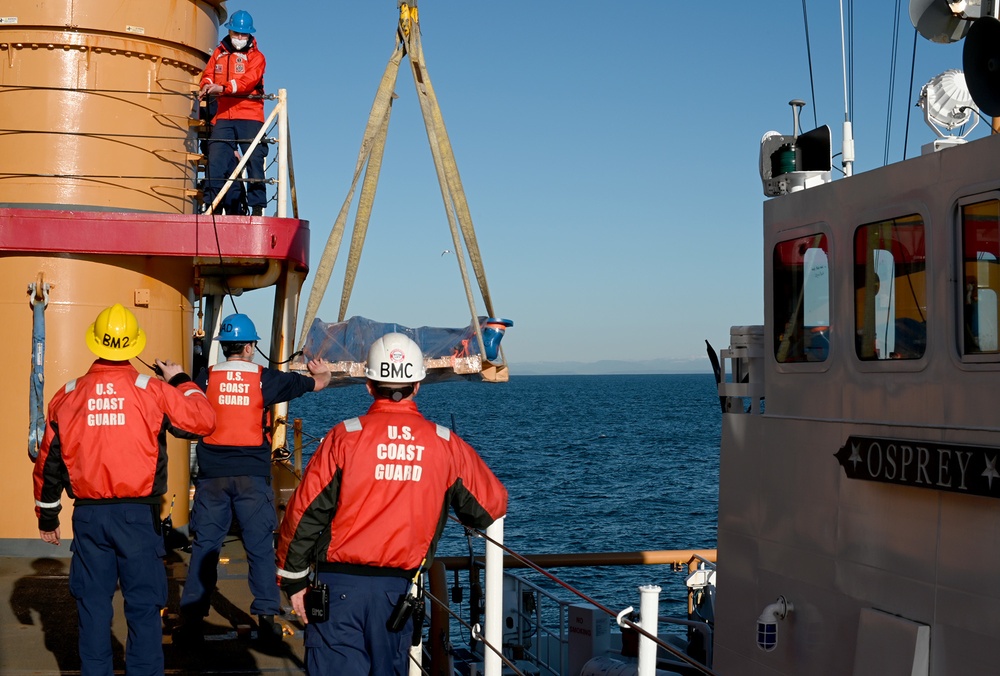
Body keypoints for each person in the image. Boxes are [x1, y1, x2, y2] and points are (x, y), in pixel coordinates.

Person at [275, 332, 508, 675]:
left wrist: (293, 579)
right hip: (395, 594)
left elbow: (305, 511)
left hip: (337, 590)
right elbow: (489, 506)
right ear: (417, 386)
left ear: (369, 385)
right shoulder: (444, 443)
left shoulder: (345, 436)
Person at [33, 303, 216, 676]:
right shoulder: (152, 390)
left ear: (97, 344)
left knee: (93, 607)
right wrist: (180, 379)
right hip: (137, 518)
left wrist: (48, 515)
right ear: (132, 346)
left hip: (88, 518)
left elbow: (48, 463)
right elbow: (203, 421)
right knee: (144, 608)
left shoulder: (67, 395)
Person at [178, 313, 331, 642]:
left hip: (212, 478)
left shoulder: (206, 377)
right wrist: (322, 373)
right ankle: (266, 617)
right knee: (261, 548)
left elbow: (185, 406)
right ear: (249, 347)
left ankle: (191, 618)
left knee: (205, 546)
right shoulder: (265, 379)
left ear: (224, 346)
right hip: (251, 477)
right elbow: (315, 384)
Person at [198, 9, 267, 216]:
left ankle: (257, 206)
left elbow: (248, 82)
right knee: (216, 159)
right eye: (236, 33)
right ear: (229, 32)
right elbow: (208, 74)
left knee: (254, 159)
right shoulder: (218, 54)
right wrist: (208, 85)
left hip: (250, 115)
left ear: (249, 35)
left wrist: (223, 88)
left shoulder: (257, 57)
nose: (239, 38)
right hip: (223, 116)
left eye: (243, 34)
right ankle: (211, 205)